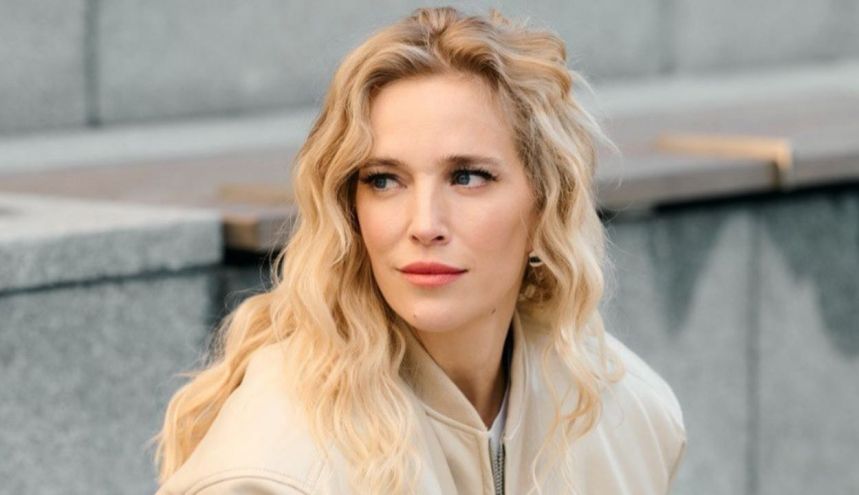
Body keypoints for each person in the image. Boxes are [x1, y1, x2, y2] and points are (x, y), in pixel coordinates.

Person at [151, 6, 686, 494]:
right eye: (384, 180)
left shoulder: (631, 416)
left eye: (467, 177)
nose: (425, 224)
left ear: (545, 204)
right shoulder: (273, 471)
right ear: (350, 211)